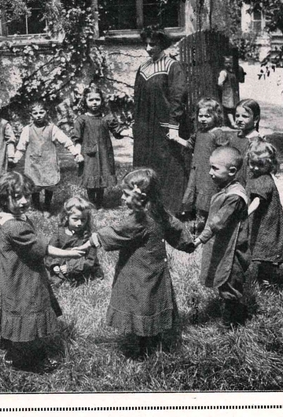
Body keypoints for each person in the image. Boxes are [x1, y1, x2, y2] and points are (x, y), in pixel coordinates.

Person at [0, 172, 85, 371]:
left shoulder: (5, 218)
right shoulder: (14, 227)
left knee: (10, 306)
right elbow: (41, 248)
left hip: (9, 271)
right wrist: (70, 253)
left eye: (27, 196)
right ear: (4, 199)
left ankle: (9, 343)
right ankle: (27, 359)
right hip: (21, 276)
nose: (24, 201)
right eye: (17, 197)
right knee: (26, 309)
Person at [86, 168, 195, 357]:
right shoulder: (159, 212)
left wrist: (93, 240)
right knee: (153, 303)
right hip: (156, 270)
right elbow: (175, 227)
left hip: (139, 274)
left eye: (126, 195)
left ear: (141, 196)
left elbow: (118, 231)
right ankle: (155, 339)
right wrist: (188, 244)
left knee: (141, 305)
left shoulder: (139, 219)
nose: (121, 198)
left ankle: (142, 349)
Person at [133, 27, 189, 213]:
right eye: (146, 44)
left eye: (153, 44)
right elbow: (137, 99)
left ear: (162, 44)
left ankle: (171, 208)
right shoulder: (143, 68)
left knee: (168, 165)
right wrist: (136, 126)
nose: (148, 48)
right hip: (146, 127)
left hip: (165, 126)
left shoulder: (173, 66)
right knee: (146, 164)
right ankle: (147, 204)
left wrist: (174, 125)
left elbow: (178, 97)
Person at [193, 146, 251, 326]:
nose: (210, 172)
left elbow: (218, 221)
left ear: (232, 171)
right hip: (226, 243)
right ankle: (233, 311)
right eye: (210, 167)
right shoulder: (227, 187)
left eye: (215, 168)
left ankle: (231, 322)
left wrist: (200, 238)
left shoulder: (234, 196)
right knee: (224, 279)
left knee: (230, 280)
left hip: (234, 248)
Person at [12, 101, 83, 217]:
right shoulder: (27, 129)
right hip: (33, 162)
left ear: (46, 113)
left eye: (41, 112)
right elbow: (21, 147)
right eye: (35, 113)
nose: (39, 115)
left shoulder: (52, 128)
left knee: (49, 184)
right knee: (33, 184)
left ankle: (47, 207)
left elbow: (66, 141)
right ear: (31, 115)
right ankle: (37, 205)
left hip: (48, 162)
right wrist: (15, 159)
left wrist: (76, 153)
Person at [71, 85, 131, 208]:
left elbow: (117, 130)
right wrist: (77, 153)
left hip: (104, 153)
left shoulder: (106, 118)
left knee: (102, 176)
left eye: (97, 100)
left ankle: (99, 201)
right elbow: (77, 137)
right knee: (91, 178)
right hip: (89, 155)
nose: (94, 103)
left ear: (102, 101)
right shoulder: (81, 119)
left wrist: (128, 133)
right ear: (85, 101)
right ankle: (92, 202)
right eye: (91, 100)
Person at [173, 97, 226, 234]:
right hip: (197, 170)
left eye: (207, 116)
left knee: (208, 197)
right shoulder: (199, 133)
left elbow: (224, 152)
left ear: (215, 116)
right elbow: (190, 144)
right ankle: (198, 226)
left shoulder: (218, 133)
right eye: (200, 116)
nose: (203, 119)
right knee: (197, 197)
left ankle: (210, 228)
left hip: (210, 172)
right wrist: (177, 139)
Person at [245, 140, 283, 286]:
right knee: (261, 245)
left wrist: (245, 213)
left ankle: (268, 279)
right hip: (262, 219)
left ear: (270, 164)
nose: (256, 168)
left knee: (267, 246)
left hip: (266, 221)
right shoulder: (255, 176)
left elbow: (258, 200)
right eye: (252, 163)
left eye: (260, 164)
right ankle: (263, 275)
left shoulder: (264, 180)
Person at [45, 196, 102, 287]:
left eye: (83, 220)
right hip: (60, 264)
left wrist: (70, 267)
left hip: (79, 267)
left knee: (78, 280)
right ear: (67, 217)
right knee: (49, 279)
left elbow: (90, 261)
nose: (79, 223)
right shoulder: (59, 233)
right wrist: (54, 265)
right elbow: (50, 251)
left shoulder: (88, 237)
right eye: (75, 219)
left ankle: (71, 280)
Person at [217, 56, 240, 128]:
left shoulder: (232, 72)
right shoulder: (223, 72)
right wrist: (223, 88)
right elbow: (220, 83)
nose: (228, 64)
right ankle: (232, 123)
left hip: (233, 92)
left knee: (234, 106)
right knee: (229, 108)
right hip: (227, 92)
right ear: (223, 64)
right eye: (226, 63)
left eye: (230, 63)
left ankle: (235, 121)